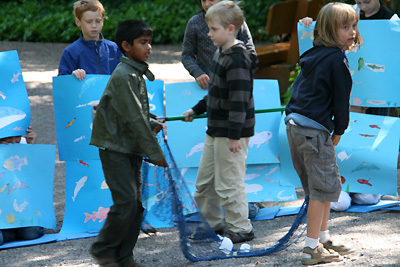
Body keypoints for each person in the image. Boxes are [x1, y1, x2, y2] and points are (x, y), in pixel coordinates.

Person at [285, 3, 360, 264]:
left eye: (354, 26)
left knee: (326, 185)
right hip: (313, 131)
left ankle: (323, 238)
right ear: (329, 30)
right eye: (345, 27)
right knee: (321, 189)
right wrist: (339, 129)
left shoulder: (314, 54)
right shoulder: (337, 61)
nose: (352, 31)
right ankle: (310, 248)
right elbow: (342, 101)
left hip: (296, 127)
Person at [89, 20, 168, 267]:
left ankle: (124, 257)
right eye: (143, 43)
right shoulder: (124, 75)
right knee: (125, 202)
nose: (149, 47)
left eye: (149, 42)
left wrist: (152, 120)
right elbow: (134, 118)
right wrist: (156, 153)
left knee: (135, 206)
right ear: (126, 46)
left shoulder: (135, 72)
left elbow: (135, 113)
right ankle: (103, 249)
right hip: (115, 149)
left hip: (129, 147)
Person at [183, 1, 258, 244]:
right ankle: (212, 225)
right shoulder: (221, 53)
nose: (209, 33)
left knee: (229, 183)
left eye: (213, 29)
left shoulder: (238, 58)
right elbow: (216, 91)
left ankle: (241, 228)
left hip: (231, 133)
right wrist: (197, 108)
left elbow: (239, 100)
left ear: (230, 28)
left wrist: (235, 135)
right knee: (204, 182)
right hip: (215, 130)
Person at [181, 0, 256, 90]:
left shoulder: (236, 21)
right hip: (207, 86)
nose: (207, 4)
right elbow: (187, 55)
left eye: (211, 0)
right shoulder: (194, 23)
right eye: (203, 0)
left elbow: (250, 51)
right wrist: (198, 73)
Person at [0, 127, 45, 246]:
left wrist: (31, 147)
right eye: (9, 137)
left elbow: (36, 179)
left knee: (31, 233)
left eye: (18, 137)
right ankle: (8, 233)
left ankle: (10, 233)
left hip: (16, 207)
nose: (15, 141)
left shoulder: (22, 144)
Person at [58, 0, 123, 81]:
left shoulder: (114, 48)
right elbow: (62, 83)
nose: (94, 25)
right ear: (78, 22)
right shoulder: (71, 52)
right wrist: (72, 76)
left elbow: (124, 75)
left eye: (98, 21)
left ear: (102, 21)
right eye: (89, 21)